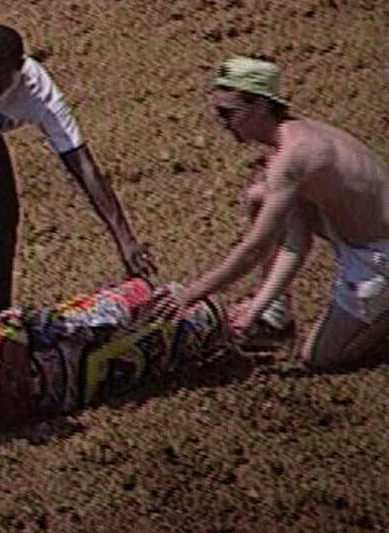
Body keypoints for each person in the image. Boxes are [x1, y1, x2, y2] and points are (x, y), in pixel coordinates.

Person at [155, 56, 389, 372]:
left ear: (261, 106)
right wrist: (259, 305)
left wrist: (193, 294)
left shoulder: (296, 156)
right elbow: (296, 243)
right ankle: (275, 317)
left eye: (228, 113)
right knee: (259, 197)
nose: (222, 123)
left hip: (377, 255)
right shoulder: (291, 140)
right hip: (350, 232)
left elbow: (254, 249)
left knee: (320, 359)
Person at [0, 24, 153, 317]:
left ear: (18, 69)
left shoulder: (38, 91)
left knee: (1, 218)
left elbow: (83, 165)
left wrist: (125, 239)